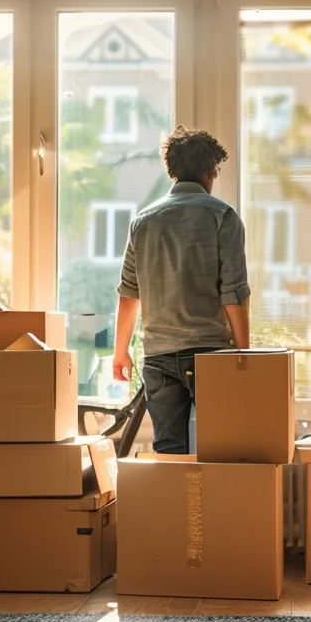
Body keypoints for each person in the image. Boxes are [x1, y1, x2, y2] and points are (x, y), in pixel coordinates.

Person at [111, 127, 250, 455]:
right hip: (210, 355)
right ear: (210, 171)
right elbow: (234, 292)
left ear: (172, 170)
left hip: (159, 356)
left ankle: (175, 508)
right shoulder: (222, 216)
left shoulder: (143, 222)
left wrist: (121, 353)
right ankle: (215, 508)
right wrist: (244, 355)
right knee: (222, 449)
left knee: (169, 454)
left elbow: (130, 294)